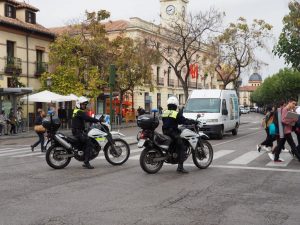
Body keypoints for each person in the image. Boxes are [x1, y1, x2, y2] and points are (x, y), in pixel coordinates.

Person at [162, 96, 195, 173]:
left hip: (165, 132)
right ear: (176, 105)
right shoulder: (176, 113)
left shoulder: (165, 112)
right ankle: (180, 167)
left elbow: (166, 121)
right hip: (172, 133)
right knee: (182, 147)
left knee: (175, 144)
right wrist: (193, 121)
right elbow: (183, 121)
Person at [72, 96, 100, 169]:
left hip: (77, 131)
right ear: (79, 104)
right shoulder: (79, 112)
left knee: (86, 141)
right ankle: (86, 162)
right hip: (78, 132)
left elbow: (85, 119)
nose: (84, 106)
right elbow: (87, 118)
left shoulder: (77, 111)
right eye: (83, 104)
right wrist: (97, 120)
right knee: (89, 143)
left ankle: (84, 157)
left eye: (85, 104)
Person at [273, 98, 299, 162]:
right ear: (289, 102)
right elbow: (283, 120)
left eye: (295, 104)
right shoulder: (285, 109)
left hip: (286, 130)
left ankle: (276, 158)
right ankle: (299, 157)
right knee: (293, 145)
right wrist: (292, 120)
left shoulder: (290, 110)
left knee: (280, 145)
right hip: (285, 130)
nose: (294, 105)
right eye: (293, 103)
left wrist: (294, 111)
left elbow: (295, 118)